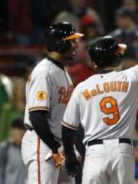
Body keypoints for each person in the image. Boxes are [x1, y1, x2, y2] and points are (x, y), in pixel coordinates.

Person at [61, 8, 138, 183]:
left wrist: (70, 156)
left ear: (93, 63)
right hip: (122, 151)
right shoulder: (131, 77)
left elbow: (68, 128)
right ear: (117, 59)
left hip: (95, 152)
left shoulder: (82, 87)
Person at [21, 21, 83, 184]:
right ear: (60, 44)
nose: (76, 45)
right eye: (72, 40)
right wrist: (56, 148)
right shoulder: (44, 73)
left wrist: (68, 150)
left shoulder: (61, 70)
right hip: (42, 143)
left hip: (57, 143)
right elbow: (36, 117)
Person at [0, 118, 27, 184]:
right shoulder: (4, 148)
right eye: (19, 129)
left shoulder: (30, 150)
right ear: (12, 130)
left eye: (24, 129)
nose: (22, 132)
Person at [0, 77, 25, 143]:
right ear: (15, 91)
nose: (21, 92)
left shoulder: (30, 109)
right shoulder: (7, 109)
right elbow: (2, 130)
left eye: (23, 89)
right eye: (19, 89)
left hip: (27, 144)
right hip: (10, 143)